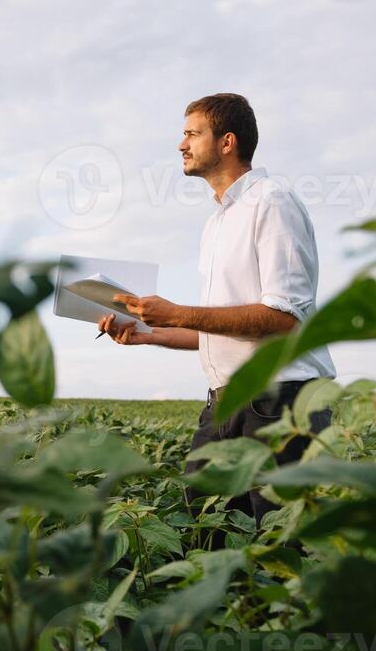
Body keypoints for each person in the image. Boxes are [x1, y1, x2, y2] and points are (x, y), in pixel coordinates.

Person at [95, 93, 334, 523]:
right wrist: (146, 332)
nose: (180, 144)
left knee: (281, 548)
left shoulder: (272, 201)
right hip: (226, 405)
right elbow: (219, 328)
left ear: (227, 142)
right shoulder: (217, 222)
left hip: (281, 405)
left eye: (191, 133)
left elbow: (283, 318)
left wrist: (179, 312)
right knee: (205, 530)